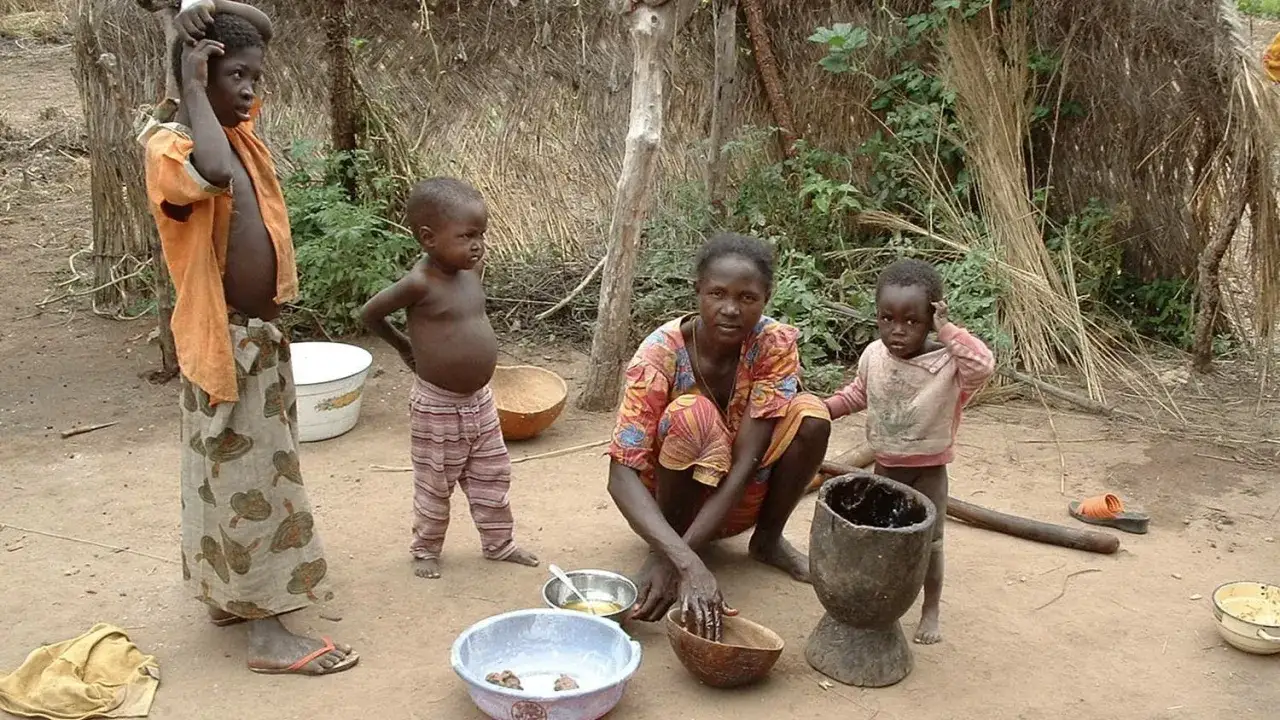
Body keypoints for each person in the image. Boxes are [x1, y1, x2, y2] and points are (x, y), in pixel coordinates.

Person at [140, 1, 358, 676]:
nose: (248, 91)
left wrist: (200, 10)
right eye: (234, 75)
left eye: (254, 79)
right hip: (224, 344)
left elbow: (260, 26)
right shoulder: (171, 148)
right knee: (253, 483)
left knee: (230, 477)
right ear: (196, 76)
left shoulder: (235, 131)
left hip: (258, 343)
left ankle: (230, 598)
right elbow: (211, 173)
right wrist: (187, 72)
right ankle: (268, 633)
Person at [606, 233, 832, 642]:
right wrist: (683, 561)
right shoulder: (659, 355)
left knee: (811, 416)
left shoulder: (772, 345)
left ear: (766, 299)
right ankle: (667, 544)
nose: (730, 309)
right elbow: (620, 475)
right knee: (691, 414)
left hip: (740, 498)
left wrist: (679, 563)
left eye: (747, 298)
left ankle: (767, 541)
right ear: (697, 292)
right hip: (668, 504)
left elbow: (746, 462)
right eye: (717, 294)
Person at [361, 178, 540, 580]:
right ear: (428, 238)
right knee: (435, 483)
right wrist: (404, 346)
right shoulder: (419, 283)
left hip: (481, 401)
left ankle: (499, 543)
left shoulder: (470, 271)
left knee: (493, 475)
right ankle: (426, 549)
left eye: (481, 235)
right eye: (466, 236)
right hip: (438, 406)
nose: (477, 245)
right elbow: (370, 314)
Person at [823, 258, 995, 645]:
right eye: (887, 319)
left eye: (912, 321)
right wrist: (825, 408)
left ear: (931, 318)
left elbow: (983, 365)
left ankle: (930, 608)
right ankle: (883, 600)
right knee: (882, 538)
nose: (897, 330)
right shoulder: (874, 355)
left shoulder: (948, 363)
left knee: (929, 545)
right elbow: (858, 393)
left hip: (928, 472)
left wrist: (947, 330)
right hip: (886, 468)